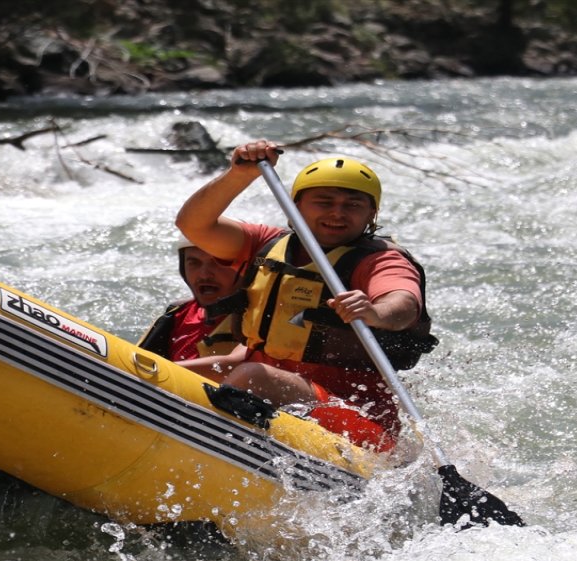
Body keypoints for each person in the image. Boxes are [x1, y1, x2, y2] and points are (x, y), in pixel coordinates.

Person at [175, 139, 437, 451]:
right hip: (270, 386)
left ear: (371, 214)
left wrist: (375, 312)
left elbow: (403, 302)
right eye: (324, 202)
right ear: (296, 206)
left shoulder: (380, 259)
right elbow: (194, 225)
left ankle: (195, 443)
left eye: (353, 205)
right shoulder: (266, 243)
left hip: (357, 419)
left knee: (252, 376)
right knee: (166, 372)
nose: (337, 214)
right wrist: (239, 175)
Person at [138, 239, 248, 381]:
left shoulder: (260, 319)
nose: (204, 274)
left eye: (219, 262)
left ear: (246, 270)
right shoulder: (177, 314)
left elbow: (237, 364)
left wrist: (156, 370)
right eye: (194, 263)